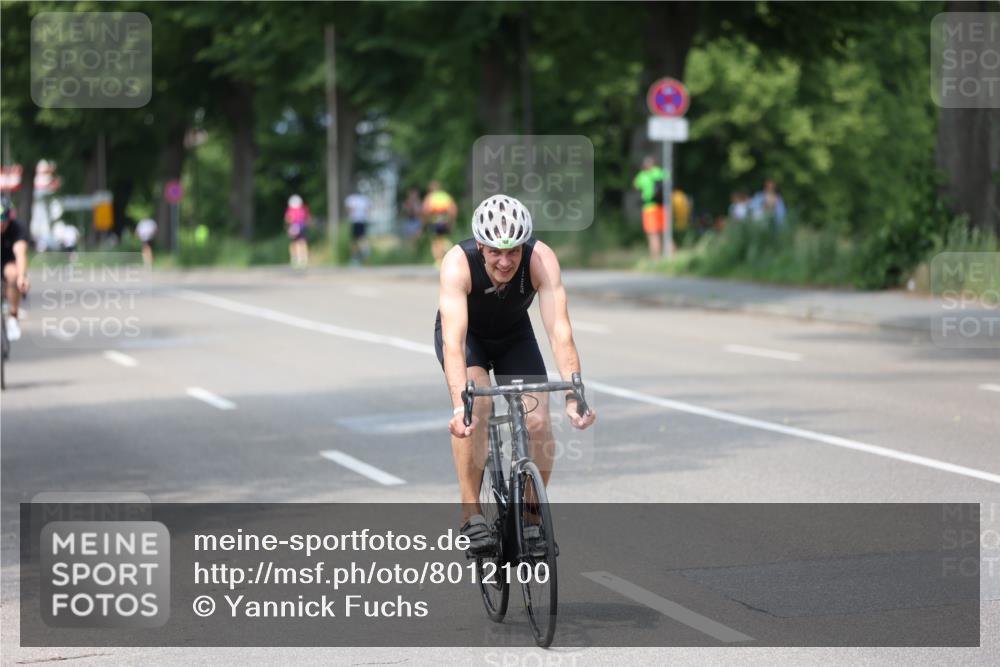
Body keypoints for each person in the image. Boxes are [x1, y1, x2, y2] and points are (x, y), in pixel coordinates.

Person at [435, 194, 596, 550]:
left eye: (514, 252)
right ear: (480, 245)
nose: (505, 262)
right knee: (477, 407)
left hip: (513, 336)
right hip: (469, 339)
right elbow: (453, 343)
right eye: (495, 251)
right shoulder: (457, 264)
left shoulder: (541, 259)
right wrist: (460, 407)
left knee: (538, 420)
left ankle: (531, 516)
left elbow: (560, 331)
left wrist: (574, 394)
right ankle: (471, 514)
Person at [1, 198, 30, 341]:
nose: (0, 223)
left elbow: (20, 253)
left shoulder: (18, 228)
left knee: (13, 274)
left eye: (3, 218)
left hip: (8, 262)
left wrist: (22, 277)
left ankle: (13, 316)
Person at [632, 157, 668, 258]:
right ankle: (674, 258)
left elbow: (635, 185)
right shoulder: (660, 172)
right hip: (663, 206)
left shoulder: (642, 175)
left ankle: (655, 259)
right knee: (666, 233)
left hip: (650, 208)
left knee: (653, 234)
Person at [422, 180, 457, 266]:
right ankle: (450, 250)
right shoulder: (445, 196)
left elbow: (426, 210)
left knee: (435, 242)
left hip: (434, 222)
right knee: (443, 239)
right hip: (445, 221)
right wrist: (451, 222)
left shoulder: (430, 197)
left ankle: (438, 261)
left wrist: (425, 222)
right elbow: (453, 210)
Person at [344, 189, 372, 265]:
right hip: (362, 221)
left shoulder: (351, 199)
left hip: (355, 221)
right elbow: (368, 209)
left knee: (354, 241)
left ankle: (355, 259)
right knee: (363, 240)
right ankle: (365, 259)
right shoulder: (364, 199)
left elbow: (349, 209)